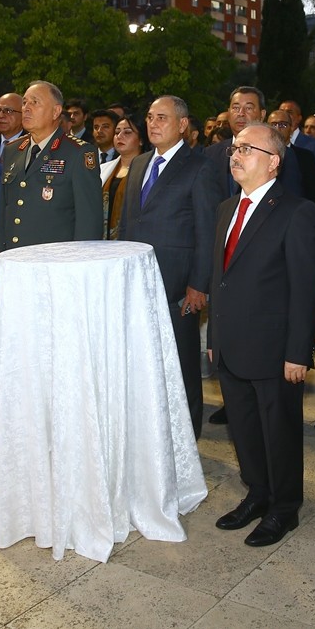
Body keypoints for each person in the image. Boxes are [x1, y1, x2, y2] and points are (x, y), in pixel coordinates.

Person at [208, 122, 315, 547]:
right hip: (232, 344)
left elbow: (306, 289)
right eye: (234, 148)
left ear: (273, 162)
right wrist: (214, 338)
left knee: (279, 431)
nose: (235, 155)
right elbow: (220, 277)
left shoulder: (296, 211)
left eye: (247, 149)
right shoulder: (225, 209)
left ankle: (284, 507)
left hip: (275, 349)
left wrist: (298, 351)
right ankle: (257, 493)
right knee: (244, 428)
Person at [119, 96, 224, 438]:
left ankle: (187, 438)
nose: (152, 123)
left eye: (162, 117)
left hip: (178, 288)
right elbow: (126, 225)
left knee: (181, 367)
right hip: (137, 283)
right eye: (149, 117)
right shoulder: (139, 164)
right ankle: (151, 435)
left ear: (182, 125)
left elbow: (208, 230)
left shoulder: (200, 166)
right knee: (144, 367)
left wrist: (199, 284)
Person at [0, 81, 103, 252]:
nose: (26, 108)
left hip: (55, 265)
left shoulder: (78, 153)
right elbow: (3, 212)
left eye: (35, 102)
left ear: (56, 112)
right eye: (24, 102)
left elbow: (88, 222)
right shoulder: (13, 150)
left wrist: (79, 268)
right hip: (14, 261)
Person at [100, 116, 148, 240]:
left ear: (141, 140)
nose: (120, 136)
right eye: (117, 132)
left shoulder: (149, 170)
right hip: (102, 242)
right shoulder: (103, 169)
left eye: (127, 132)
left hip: (135, 238)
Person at [268, 109, 315, 205]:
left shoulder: (306, 157)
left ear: (291, 127)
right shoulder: (260, 155)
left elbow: (314, 193)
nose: (277, 128)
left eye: (283, 125)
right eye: (273, 124)